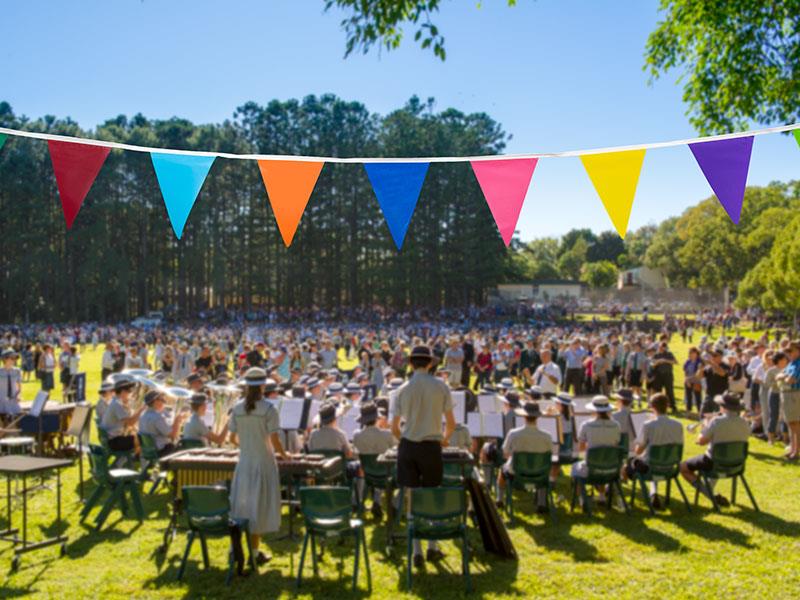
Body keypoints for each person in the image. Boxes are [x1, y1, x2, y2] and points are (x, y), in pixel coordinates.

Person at [391, 345, 455, 568]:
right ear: (429, 364)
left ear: (410, 364)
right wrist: (444, 439)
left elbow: (394, 427)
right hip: (430, 446)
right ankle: (432, 547)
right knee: (431, 497)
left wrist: (406, 439)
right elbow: (452, 423)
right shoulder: (441, 386)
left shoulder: (402, 389)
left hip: (409, 445)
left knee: (412, 497)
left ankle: (416, 550)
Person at [228, 368, 286, 566]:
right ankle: (253, 552)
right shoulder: (269, 409)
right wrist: (285, 455)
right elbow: (275, 440)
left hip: (244, 462)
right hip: (264, 462)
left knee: (242, 505)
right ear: (263, 386)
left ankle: (237, 550)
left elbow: (231, 439)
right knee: (258, 507)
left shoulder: (236, 408)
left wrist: (247, 445)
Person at [680, 392, 750, 506]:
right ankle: (711, 492)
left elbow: (701, 442)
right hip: (737, 465)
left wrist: (706, 426)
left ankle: (709, 495)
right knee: (718, 456)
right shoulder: (745, 423)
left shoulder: (716, 421)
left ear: (723, 407)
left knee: (682, 467)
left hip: (715, 463)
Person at [621, 393, 683, 509]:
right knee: (651, 460)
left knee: (629, 464)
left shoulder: (648, 425)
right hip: (670, 467)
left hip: (650, 468)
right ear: (668, 406)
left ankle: (616, 492)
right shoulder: (678, 425)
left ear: (652, 407)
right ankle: (653, 493)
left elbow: (638, 451)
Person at [497, 401, 553, 512]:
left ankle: (500, 499)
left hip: (516, 474)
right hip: (540, 473)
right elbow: (550, 454)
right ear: (537, 417)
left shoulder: (513, 433)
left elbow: (505, 452)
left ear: (523, 416)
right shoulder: (547, 436)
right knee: (544, 472)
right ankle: (541, 503)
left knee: (502, 470)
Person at [571, 395, 621, 504]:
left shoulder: (586, 425)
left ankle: (581, 499)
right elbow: (615, 444)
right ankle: (602, 496)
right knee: (602, 458)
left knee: (576, 466)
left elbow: (581, 448)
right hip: (611, 468)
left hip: (592, 467)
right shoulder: (616, 425)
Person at [352, 401, 396, 519]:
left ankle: (376, 502)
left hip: (368, 475)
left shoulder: (357, 435)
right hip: (387, 474)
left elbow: (355, 454)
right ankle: (395, 504)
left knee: (374, 466)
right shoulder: (386, 434)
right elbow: (396, 449)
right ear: (377, 418)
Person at [101, 374, 145, 452]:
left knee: (139, 435)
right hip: (114, 442)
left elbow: (129, 424)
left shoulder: (116, 402)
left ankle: (137, 458)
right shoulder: (117, 405)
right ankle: (141, 459)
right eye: (129, 391)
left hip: (113, 439)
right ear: (122, 392)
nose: (131, 394)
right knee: (145, 438)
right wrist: (142, 409)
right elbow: (130, 422)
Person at [138, 390, 185, 456]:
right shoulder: (157, 417)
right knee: (184, 445)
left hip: (148, 450)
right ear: (155, 401)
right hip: (161, 450)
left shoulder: (143, 415)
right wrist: (177, 420)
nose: (164, 402)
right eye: (162, 399)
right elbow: (173, 435)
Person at [776, 341, 800, 460]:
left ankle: (796, 452)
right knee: (791, 424)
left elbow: (791, 379)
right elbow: (778, 376)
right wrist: (784, 377)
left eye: (791, 350)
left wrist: (783, 377)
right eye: (787, 351)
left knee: (795, 424)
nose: (788, 353)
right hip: (787, 394)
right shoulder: (792, 363)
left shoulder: (798, 363)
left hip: (795, 395)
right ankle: (793, 449)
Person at [701, 349, 730, 419]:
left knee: (718, 417)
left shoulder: (725, 365)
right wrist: (700, 368)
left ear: (720, 356)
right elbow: (699, 376)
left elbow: (722, 373)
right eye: (712, 355)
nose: (712, 357)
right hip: (709, 395)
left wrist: (711, 363)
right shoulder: (708, 367)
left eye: (714, 355)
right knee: (704, 415)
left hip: (720, 396)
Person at [650, 342, 677, 411]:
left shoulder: (669, 354)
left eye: (663, 347)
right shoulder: (656, 355)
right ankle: (657, 406)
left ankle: (672, 406)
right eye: (660, 347)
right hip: (658, 375)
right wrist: (658, 362)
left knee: (669, 391)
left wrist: (665, 360)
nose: (662, 348)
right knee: (658, 391)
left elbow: (675, 362)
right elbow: (652, 364)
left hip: (668, 375)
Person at [0, 348, 22, 421]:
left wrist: (18, 395)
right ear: (5, 359)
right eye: (12, 358)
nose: (14, 360)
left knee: (17, 421)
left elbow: (19, 387)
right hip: (1, 401)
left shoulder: (17, 371)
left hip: (13, 400)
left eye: (15, 358)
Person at [683, 347, 704, 414]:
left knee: (698, 397)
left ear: (696, 353)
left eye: (692, 352)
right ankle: (688, 410)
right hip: (688, 381)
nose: (690, 354)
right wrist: (687, 380)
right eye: (689, 353)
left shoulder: (700, 362)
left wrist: (688, 379)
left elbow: (698, 373)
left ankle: (699, 411)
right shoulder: (687, 361)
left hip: (696, 382)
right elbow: (685, 371)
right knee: (688, 396)